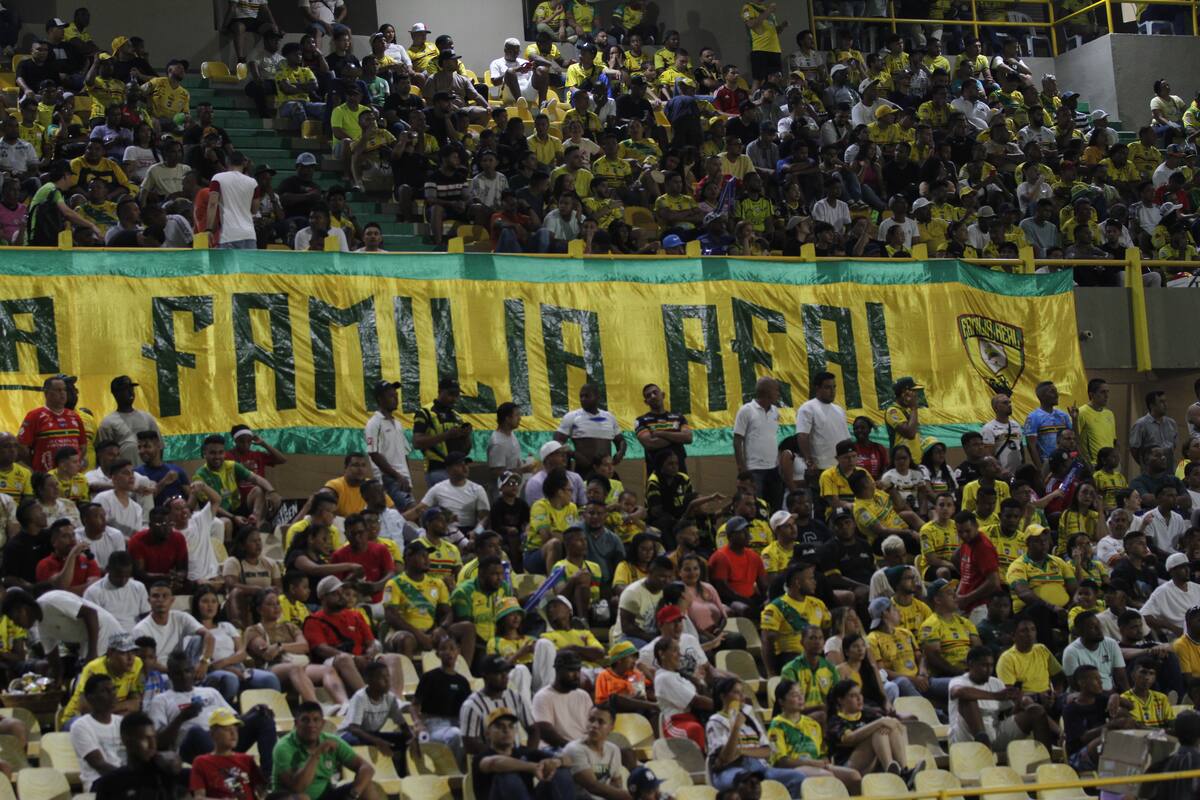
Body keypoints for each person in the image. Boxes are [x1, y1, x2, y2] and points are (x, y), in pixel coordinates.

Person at [148, 651, 277, 772]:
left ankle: (268, 777)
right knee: (196, 731)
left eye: (187, 671)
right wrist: (181, 718)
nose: (184, 676)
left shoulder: (210, 692)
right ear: (170, 675)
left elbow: (235, 721)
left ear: (193, 671)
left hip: (223, 740)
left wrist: (252, 712)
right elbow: (158, 743)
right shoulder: (161, 700)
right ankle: (229, 776)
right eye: (178, 673)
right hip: (191, 747)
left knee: (263, 716)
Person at [707, 676, 806, 796]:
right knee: (748, 782)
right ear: (723, 696)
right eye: (736, 692)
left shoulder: (750, 719)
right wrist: (736, 728)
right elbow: (726, 758)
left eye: (742, 692)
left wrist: (742, 751)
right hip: (730, 770)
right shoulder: (715, 721)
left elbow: (768, 751)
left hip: (758, 767)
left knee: (798, 777)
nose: (742, 697)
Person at [273, 701, 380, 800]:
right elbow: (297, 788)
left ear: (322, 723)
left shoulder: (332, 741)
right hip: (290, 796)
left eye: (316, 720)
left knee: (368, 787)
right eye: (305, 720)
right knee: (302, 798)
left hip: (326, 795)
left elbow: (367, 768)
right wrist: (317, 753)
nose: (311, 725)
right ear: (296, 723)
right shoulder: (283, 747)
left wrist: (354, 793)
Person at [472, 705, 575, 800]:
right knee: (507, 778)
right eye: (499, 726)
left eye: (510, 726)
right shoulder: (481, 757)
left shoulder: (525, 751)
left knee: (561, 772)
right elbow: (494, 763)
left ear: (515, 732)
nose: (506, 730)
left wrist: (556, 762)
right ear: (487, 734)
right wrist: (532, 767)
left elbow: (569, 760)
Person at [824, 679, 913, 783]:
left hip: (872, 762)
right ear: (840, 700)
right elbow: (849, 739)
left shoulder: (868, 713)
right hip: (848, 766)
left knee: (890, 727)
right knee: (878, 731)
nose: (859, 698)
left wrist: (888, 723)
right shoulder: (835, 720)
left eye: (860, 694)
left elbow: (898, 727)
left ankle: (904, 770)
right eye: (853, 695)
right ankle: (890, 770)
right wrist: (879, 723)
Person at [91, 711, 185, 800]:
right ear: (126, 740)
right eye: (145, 738)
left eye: (154, 738)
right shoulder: (111, 783)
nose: (152, 745)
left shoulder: (166, 772)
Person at [460, 655, 539, 757]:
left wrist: (529, 756)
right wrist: (502, 755)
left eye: (506, 671)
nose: (505, 676)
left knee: (556, 765)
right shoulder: (472, 705)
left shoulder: (514, 697)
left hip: (517, 755)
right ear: (485, 675)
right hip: (490, 763)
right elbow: (470, 745)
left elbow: (534, 730)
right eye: (499, 673)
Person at [189, 706, 269, 800]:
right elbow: (198, 797)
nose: (233, 733)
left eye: (235, 729)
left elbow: (262, 791)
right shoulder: (201, 762)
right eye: (227, 729)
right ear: (212, 734)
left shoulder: (247, 760)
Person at [654, 636, 713, 750]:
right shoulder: (664, 678)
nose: (680, 655)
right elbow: (696, 701)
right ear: (662, 654)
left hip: (691, 717)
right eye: (675, 650)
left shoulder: (678, 676)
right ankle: (699, 765)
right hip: (675, 723)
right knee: (695, 729)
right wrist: (722, 705)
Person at [554, 383, 626, 475]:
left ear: (597, 397)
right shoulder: (571, 417)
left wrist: (620, 453)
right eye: (581, 396)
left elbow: (621, 441)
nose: (583, 399)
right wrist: (572, 454)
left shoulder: (609, 417)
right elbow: (557, 442)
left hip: (606, 471)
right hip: (582, 472)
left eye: (587, 396)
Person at [733, 377, 783, 511]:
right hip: (754, 469)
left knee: (775, 507)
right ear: (766, 392)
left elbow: (771, 437)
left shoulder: (775, 411)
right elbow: (737, 440)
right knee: (756, 507)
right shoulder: (746, 410)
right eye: (776, 390)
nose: (778, 394)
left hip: (773, 468)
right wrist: (742, 468)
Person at [563, 704, 629, 800]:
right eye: (591, 720)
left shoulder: (613, 750)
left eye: (601, 722)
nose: (594, 725)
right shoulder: (574, 749)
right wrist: (629, 797)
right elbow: (592, 786)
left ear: (611, 727)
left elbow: (616, 780)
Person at [532, 650, 593, 748]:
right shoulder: (543, 696)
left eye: (578, 670)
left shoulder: (583, 696)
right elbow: (545, 731)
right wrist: (573, 748)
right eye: (571, 670)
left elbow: (591, 726)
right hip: (556, 749)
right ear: (558, 670)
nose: (577, 675)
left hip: (582, 747)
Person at [1064, 611, 1129, 693]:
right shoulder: (1071, 652)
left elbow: (1121, 678)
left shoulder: (1111, 643)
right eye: (1092, 627)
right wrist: (1104, 697)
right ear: (1080, 632)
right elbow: (1075, 685)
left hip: (1110, 693)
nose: (1099, 630)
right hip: (1085, 696)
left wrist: (1130, 697)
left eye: (1099, 625)